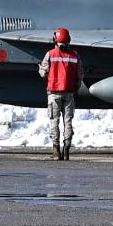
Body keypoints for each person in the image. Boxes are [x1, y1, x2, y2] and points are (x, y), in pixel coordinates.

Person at [41, 27, 83, 160]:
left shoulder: (51, 54)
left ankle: (56, 151)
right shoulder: (75, 55)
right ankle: (66, 150)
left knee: (54, 121)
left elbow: (43, 73)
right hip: (69, 93)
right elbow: (80, 75)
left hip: (53, 94)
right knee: (68, 121)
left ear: (55, 38)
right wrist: (75, 88)